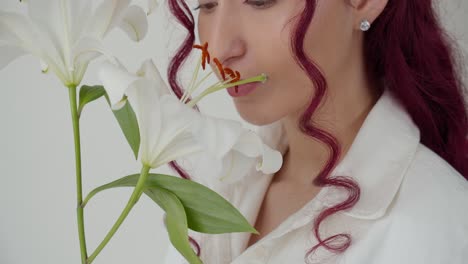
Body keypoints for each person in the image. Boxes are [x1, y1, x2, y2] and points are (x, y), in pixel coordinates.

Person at [163, 0, 468, 263]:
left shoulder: (440, 223)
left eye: (261, 0)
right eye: (207, 4)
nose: (217, 48)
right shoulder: (219, 183)